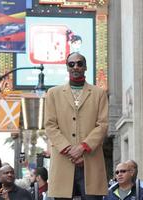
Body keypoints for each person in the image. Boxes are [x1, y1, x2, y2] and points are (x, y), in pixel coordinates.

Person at [45, 52, 108, 199]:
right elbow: (50, 125)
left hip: (90, 162)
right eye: (71, 64)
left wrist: (82, 148)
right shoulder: (53, 93)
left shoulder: (99, 93)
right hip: (63, 161)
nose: (76, 67)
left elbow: (103, 125)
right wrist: (69, 150)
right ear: (67, 67)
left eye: (79, 63)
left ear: (85, 67)